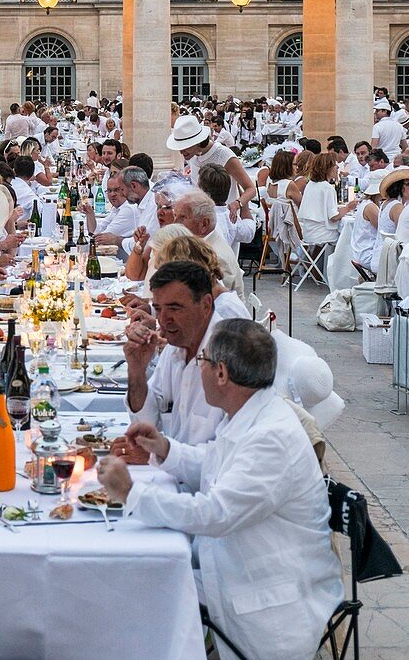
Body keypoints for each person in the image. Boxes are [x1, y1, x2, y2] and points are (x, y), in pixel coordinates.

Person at [99, 319, 343, 660]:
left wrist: (131, 493)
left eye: (203, 362)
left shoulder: (271, 438)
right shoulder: (252, 411)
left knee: (133, 596)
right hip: (241, 572)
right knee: (134, 587)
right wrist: (164, 448)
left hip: (266, 608)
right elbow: (214, 462)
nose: (198, 369)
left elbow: (214, 514)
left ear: (222, 374)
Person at [123, 261, 225, 449]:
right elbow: (148, 422)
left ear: (206, 305)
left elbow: (220, 459)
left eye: (175, 308)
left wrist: (162, 454)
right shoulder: (175, 348)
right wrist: (136, 370)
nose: (163, 319)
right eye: (159, 309)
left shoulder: (226, 357)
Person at [167, 114, 256, 217]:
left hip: (225, 217)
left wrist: (237, 204)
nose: (181, 151)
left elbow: (250, 189)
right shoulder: (193, 155)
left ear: (197, 142)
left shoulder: (224, 155)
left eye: (185, 146)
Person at [171, 189, 244, 297]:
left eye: (183, 217)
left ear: (204, 224)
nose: (174, 223)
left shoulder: (215, 257)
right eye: (175, 216)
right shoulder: (204, 245)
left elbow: (209, 304)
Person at [297, 152, 357, 247]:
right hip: (322, 235)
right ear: (327, 168)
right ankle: (338, 261)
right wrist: (348, 208)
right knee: (349, 237)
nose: (337, 167)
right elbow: (333, 217)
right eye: (334, 165)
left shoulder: (310, 184)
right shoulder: (327, 188)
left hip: (308, 232)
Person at [198, 164, 255, 250]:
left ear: (203, 191)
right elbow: (249, 232)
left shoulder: (199, 218)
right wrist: (243, 202)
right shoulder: (230, 217)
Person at [371, 167, 409, 273]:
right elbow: (401, 238)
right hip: (388, 262)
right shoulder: (397, 207)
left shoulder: (388, 203)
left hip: (381, 256)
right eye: (408, 184)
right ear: (401, 188)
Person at [80, 173, 137, 241]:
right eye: (109, 191)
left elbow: (101, 238)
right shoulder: (117, 208)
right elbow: (96, 231)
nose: (112, 194)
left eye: (117, 190)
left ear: (125, 190)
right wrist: (90, 214)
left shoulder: (128, 209)